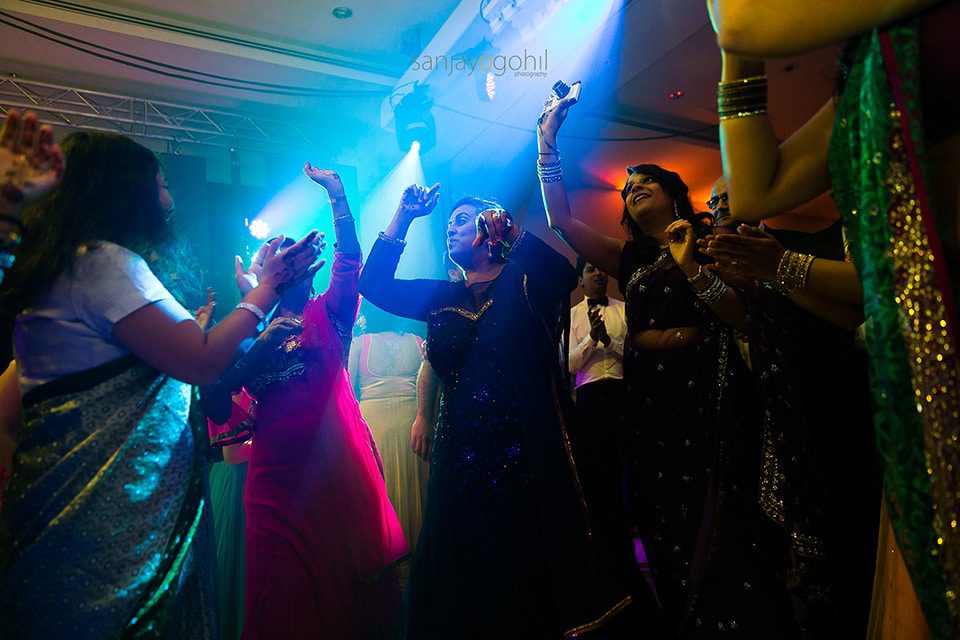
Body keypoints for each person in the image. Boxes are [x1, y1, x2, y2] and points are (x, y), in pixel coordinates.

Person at [0, 126, 321, 640]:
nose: (169, 199)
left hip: (68, 514)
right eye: (161, 183)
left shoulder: (67, 267)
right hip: (112, 530)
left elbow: (9, 412)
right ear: (126, 192)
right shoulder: (104, 263)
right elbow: (200, 362)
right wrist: (266, 290)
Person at [708, 2, 960, 636]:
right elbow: (756, 189)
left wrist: (782, 268)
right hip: (916, 377)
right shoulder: (874, 64)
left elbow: (741, 21)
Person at [537, 98, 794, 636]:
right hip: (651, 411)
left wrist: (691, 275)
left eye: (646, 181)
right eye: (629, 189)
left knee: (725, 514)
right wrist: (547, 143)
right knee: (664, 519)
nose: (634, 188)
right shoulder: (628, 259)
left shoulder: (711, 241)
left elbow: (745, 316)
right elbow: (560, 220)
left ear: (675, 193)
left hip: (711, 399)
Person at [359, 187, 660, 638]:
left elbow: (562, 276)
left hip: (530, 449)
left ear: (487, 229)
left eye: (463, 220)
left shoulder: (523, 282)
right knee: (470, 565)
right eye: (449, 223)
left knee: (530, 557)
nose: (451, 228)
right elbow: (374, 286)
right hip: (460, 457)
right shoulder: (441, 296)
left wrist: (515, 234)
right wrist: (402, 216)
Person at [210, 165, 408, 640]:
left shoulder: (326, 314)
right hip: (273, 485)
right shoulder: (249, 329)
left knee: (343, 599)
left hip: (332, 482)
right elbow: (217, 401)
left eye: (295, 255)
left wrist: (339, 199)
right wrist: (256, 329)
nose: (290, 262)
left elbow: (350, 266)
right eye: (280, 258)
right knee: (281, 597)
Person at [706, 176, 881, 638]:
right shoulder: (708, 260)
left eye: (728, 195)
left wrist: (778, 266)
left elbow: (849, 315)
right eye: (713, 200)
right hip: (754, 412)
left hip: (834, 409)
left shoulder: (804, 245)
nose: (720, 204)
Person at [348, 300, 429, 552]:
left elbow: (348, 394)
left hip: (375, 427)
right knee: (416, 491)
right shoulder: (418, 341)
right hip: (413, 425)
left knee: (383, 493)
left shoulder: (359, 344)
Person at [568, 257, 629, 541]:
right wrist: (592, 338)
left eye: (600, 267)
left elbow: (634, 356)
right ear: (580, 280)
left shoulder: (625, 310)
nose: (598, 272)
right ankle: (605, 538)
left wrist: (609, 341)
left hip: (623, 393)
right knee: (597, 472)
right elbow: (568, 364)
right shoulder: (570, 316)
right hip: (589, 398)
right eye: (590, 269)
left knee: (626, 468)